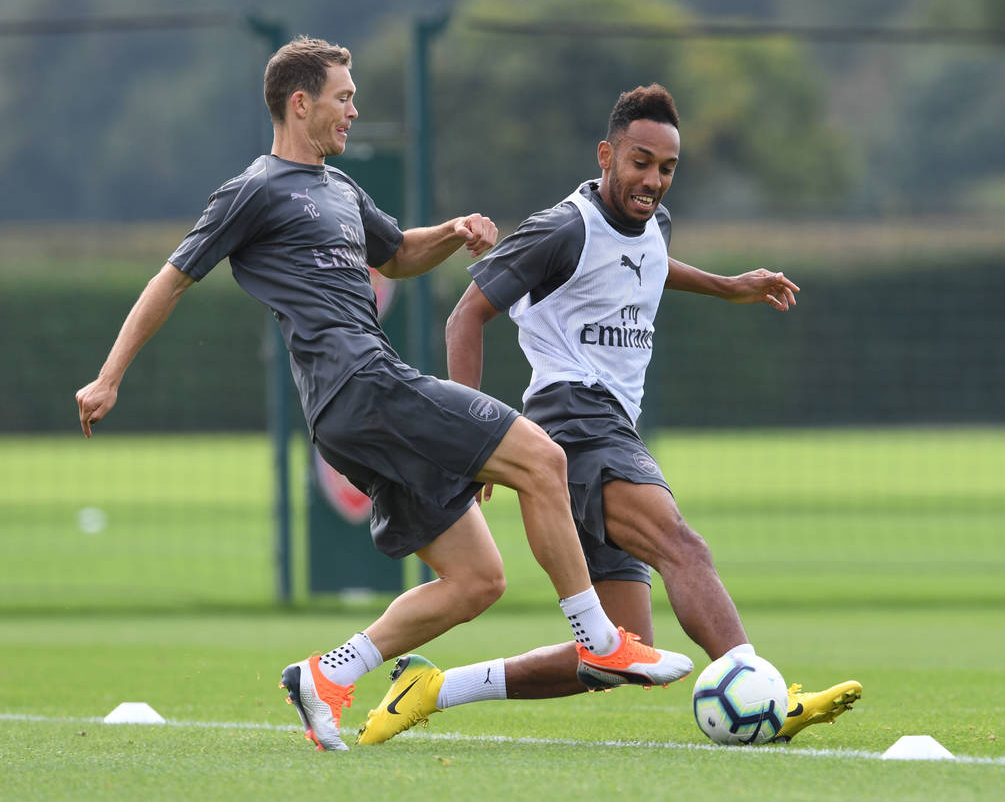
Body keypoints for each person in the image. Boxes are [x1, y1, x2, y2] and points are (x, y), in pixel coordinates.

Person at [74, 41, 693, 752]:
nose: (353, 108)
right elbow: (172, 278)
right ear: (299, 103)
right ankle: (599, 640)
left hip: (358, 406)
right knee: (542, 457)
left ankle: (326, 675)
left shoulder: (338, 190)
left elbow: (397, 252)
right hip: (360, 385)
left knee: (476, 578)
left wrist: (454, 233)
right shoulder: (255, 188)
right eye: (343, 96)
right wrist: (110, 373)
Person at [356, 83, 861, 745]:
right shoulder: (561, 229)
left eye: (666, 168)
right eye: (640, 161)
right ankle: (763, 689)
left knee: (618, 652)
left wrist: (727, 285)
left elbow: (648, 263)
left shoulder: (656, 223)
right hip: (573, 419)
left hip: (610, 426)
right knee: (681, 543)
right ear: (606, 155)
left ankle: (432, 688)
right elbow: (466, 315)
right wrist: (471, 442)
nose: (652, 180)